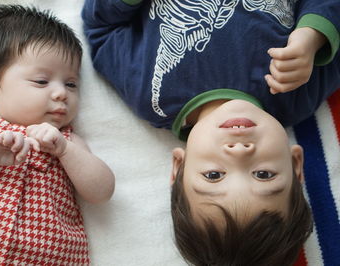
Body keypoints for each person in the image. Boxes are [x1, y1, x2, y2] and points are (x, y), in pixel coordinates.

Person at [82, 0, 340, 265]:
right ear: (296, 164)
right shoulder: (297, 94)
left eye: (214, 175)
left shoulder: (151, 94)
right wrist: (313, 35)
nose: (239, 152)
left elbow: (101, 29)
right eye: (264, 175)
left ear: (179, 166)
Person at [0, 4, 115, 265]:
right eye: (42, 81)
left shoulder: (66, 140)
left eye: (71, 84)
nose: (61, 93)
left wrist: (66, 151)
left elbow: (102, 191)